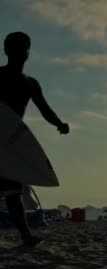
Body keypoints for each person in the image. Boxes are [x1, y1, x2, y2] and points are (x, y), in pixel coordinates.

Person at [0, 32, 69, 247]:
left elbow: (45, 110)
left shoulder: (30, 83)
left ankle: (26, 236)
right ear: (5, 50)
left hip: (10, 145)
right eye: (15, 47)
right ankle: (26, 236)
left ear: (28, 52)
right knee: (12, 191)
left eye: (23, 47)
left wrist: (59, 124)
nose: (19, 51)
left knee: (13, 191)